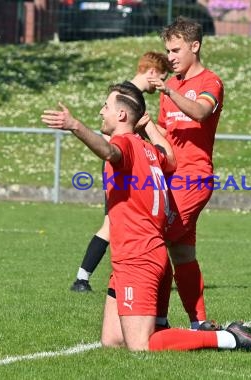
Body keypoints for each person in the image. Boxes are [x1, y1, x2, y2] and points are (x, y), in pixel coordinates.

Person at [41, 83, 251, 353]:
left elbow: (109, 152)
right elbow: (170, 157)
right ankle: (174, 330)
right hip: (149, 254)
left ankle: (230, 338)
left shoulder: (123, 144)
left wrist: (75, 126)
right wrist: (148, 126)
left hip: (138, 258)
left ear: (123, 116)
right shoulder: (148, 150)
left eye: (106, 106)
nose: (101, 111)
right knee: (113, 340)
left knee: (141, 346)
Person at [70, 51, 173, 293]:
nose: (161, 84)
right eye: (161, 77)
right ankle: (83, 278)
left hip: (126, 161)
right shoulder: (128, 95)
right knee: (113, 222)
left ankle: (88, 278)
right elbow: (114, 137)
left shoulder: (129, 93)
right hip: (121, 165)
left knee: (114, 223)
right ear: (151, 72)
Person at [147, 17, 224, 330]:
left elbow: (201, 112)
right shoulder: (173, 86)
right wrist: (143, 127)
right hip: (171, 177)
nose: (171, 57)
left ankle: (158, 320)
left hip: (195, 178)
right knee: (182, 252)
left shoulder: (210, 82)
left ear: (196, 46)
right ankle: (199, 322)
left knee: (156, 237)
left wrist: (168, 90)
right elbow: (164, 133)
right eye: (168, 50)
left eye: (176, 50)